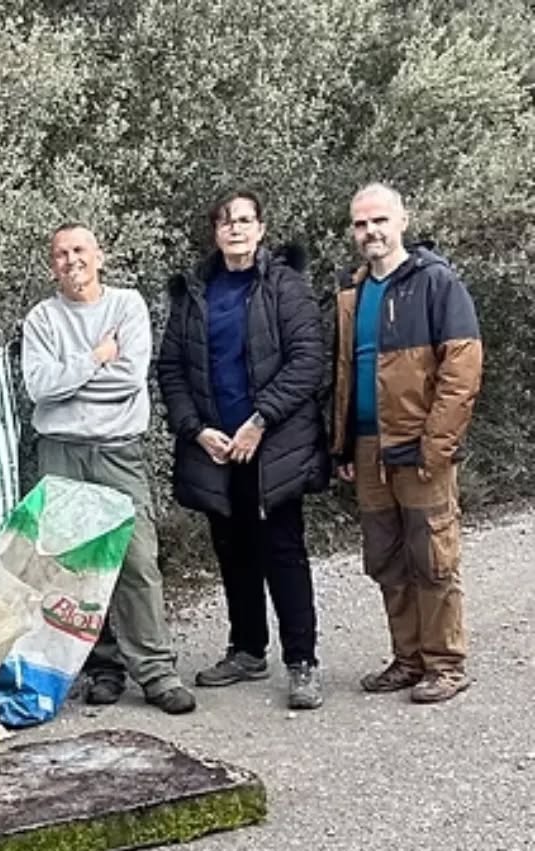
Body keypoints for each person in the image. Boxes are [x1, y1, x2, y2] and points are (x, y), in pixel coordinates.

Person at [156, 189, 328, 710]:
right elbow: (172, 369)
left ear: (261, 228)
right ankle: (248, 649)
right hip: (217, 448)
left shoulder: (285, 286)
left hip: (273, 446)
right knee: (232, 551)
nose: (236, 228)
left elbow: (307, 360)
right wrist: (196, 429)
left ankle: (302, 661)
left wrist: (260, 420)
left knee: (283, 550)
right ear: (215, 231)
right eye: (226, 221)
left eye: (245, 219)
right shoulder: (194, 293)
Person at [20, 224, 196, 715]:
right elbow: (39, 387)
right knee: (74, 565)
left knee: (137, 560)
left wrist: (70, 381)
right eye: (61, 254)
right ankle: (103, 667)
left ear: (100, 257)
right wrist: (97, 356)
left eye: (79, 250)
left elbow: (128, 380)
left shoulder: (126, 306)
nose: (71, 260)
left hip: (119, 450)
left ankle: (156, 671)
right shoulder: (42, 319)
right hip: (61, 452)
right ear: (51, 265)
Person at [331, 184, 482, 703]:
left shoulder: (437, 282)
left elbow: (461, 372)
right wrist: (344, 445)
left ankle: (445, 663)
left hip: (420, 446)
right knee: (387, 559)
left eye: (379, 220)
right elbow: (346, 375)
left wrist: (436, 446)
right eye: (360, 223)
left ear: (402, 221)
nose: (370, 231)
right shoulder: (353, 292)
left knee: (433, 557)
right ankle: (408, 658)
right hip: (369, 447)